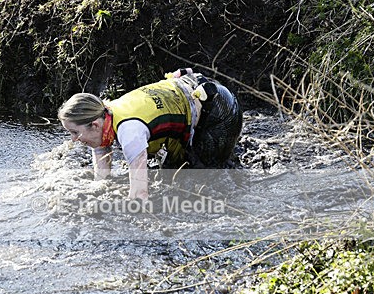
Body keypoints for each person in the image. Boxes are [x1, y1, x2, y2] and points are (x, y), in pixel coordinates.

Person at [58, 69, 242, 200]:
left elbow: (140, 195)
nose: (73, 140)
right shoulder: (103, 115)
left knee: (205, 179)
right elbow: (102, 180)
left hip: (219, 107)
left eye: (75, 133)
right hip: (189, 88)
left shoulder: (129, 132)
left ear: (95, 125)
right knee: (172, 173)